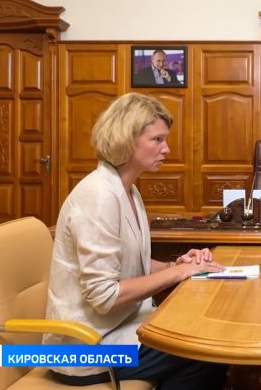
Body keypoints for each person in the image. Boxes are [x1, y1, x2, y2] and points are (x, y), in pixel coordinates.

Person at [44, 93, 227, 389]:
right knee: (205, 348)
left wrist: (176, 264)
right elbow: (105, 296)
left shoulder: (127, 189)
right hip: (85, 349)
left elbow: (132, 261)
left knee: (203, 350)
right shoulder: (98, 195)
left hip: (122, 329)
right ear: (127, 140)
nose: (167, 149)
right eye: (157, 139)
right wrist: (179, 273)